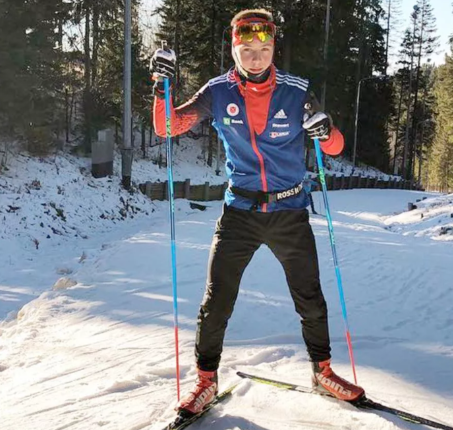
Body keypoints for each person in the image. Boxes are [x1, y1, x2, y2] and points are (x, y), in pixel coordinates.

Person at [150, 8, 364, 417]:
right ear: (234, 49)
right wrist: (162, 87)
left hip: (290, 211)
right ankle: (205, 381)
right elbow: (168, 127)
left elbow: (334, 146)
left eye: (263, 50)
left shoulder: (297, 91)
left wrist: (325, 132)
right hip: (240, 212)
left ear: (273, 49)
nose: (255, 58)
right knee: (217, 301)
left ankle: (322, 372)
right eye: (246, 50)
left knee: (310, 298)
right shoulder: (218, 91)